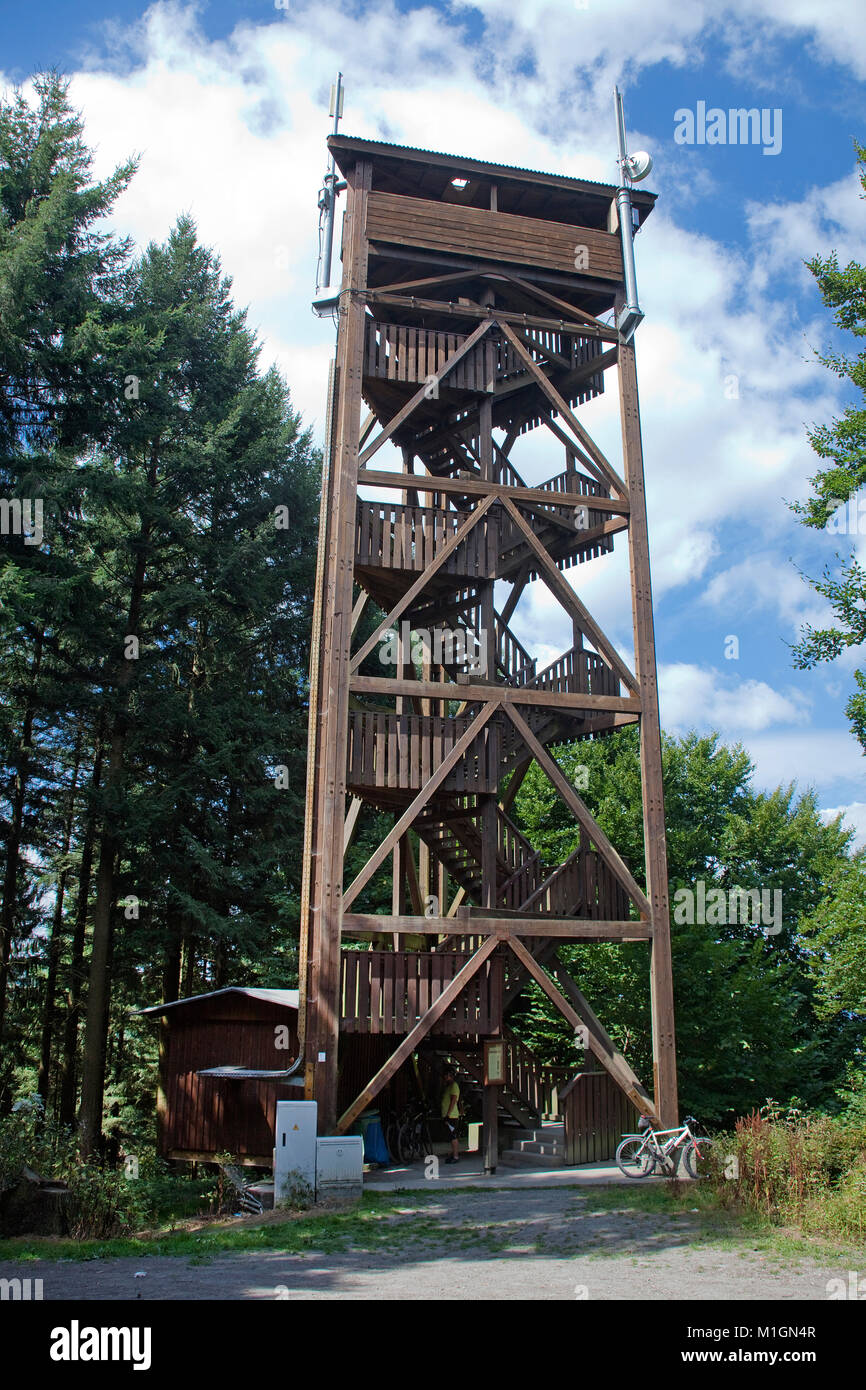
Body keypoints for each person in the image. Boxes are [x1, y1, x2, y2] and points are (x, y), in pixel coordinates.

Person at [440, 1066, 461, 1164]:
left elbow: (453, 1101)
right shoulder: (449, 1086)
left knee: (453, 1136)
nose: (444, 1077)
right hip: (448, 1115)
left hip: (451, 1116)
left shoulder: (454, 1086)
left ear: (450, 1076)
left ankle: (456, 1156)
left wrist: (448, 1114)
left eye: (446, 1076)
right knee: (450, 1136)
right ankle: (453, 1154)